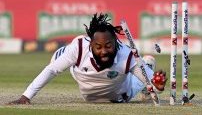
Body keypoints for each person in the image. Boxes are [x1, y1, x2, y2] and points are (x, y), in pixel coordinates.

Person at [8, 13, 167, 104]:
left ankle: (148, 64)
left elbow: (156, 84)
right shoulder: (79, 47)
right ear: (91, 45)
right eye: (98, 47)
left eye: (108, 46)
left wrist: (157, 85)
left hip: (118, 94)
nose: (104, 51)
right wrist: (25, 96)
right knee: (58, 58)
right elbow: (51, 70)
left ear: (116, 44)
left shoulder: (126, 55)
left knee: (138, 80)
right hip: (83, 78)